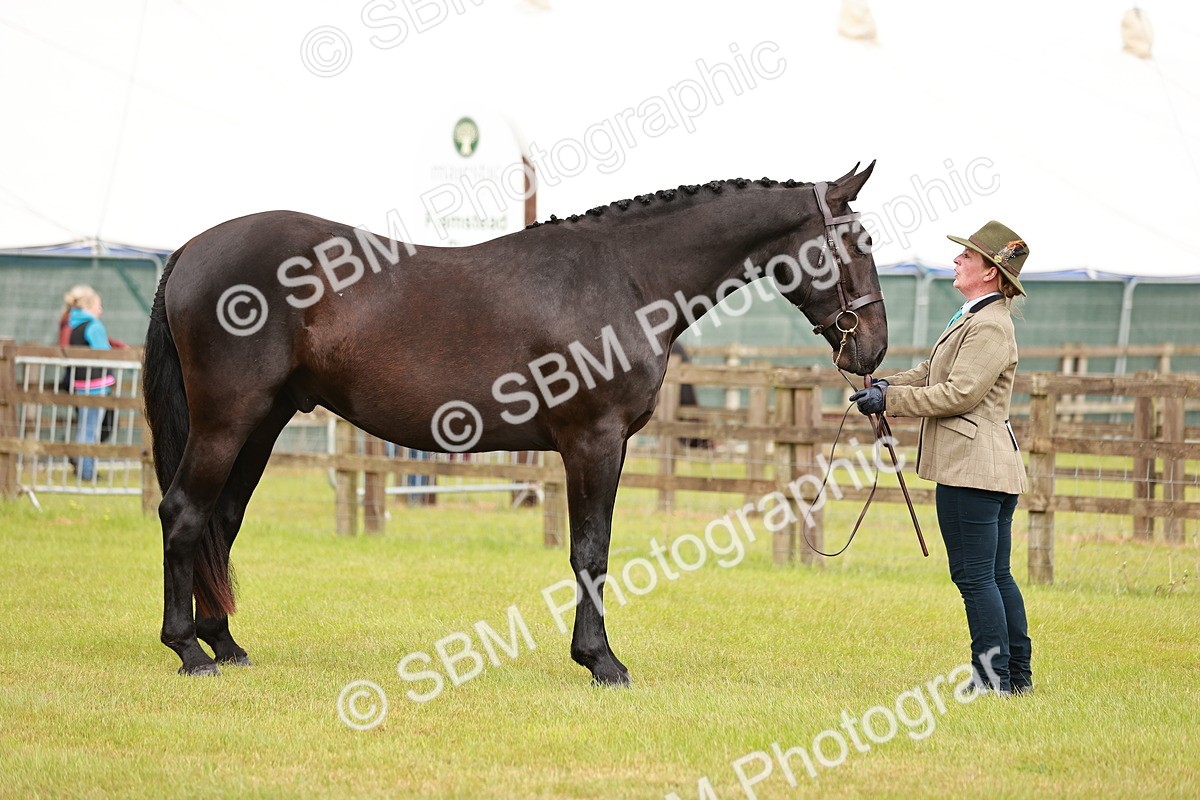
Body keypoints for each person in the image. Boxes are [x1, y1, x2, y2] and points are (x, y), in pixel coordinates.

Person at [850, 221, 1033, 695]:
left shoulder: (990, 326)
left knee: (977, 577)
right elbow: (931, 372)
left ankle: (995, 679)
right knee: (993, 575)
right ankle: (1014, 678)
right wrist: (886, 385)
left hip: (976, 469)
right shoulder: (973, 316)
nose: (957, 260)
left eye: (967, 257)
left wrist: (890, 403)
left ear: (990, 272)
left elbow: (959, 393)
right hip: (980, 467)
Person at [61, 286, 115, 480]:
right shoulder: (94, 326)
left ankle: (84, 469)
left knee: (85, 429)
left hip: (81, 385)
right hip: (96, 386)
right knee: (90, 431)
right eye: (98, 306)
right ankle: (87, 473)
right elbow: (104, 352)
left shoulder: (74, 326)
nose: (100, 310)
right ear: (89, 306)